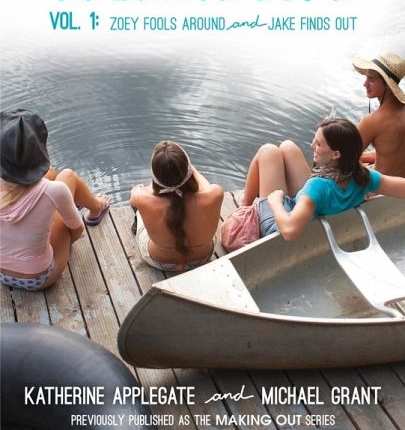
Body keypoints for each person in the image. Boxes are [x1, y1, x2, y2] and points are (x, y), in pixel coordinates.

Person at [242, 117, 405, 241]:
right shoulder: (364, 176)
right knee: (287, 146)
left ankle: (245, 206)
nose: (312, 145)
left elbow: (290, 231)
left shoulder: (317, 186)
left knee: (268, 151)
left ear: (336, 154)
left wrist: (275, 201)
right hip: (311, 210)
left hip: (281, 227)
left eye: (318, 144)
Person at [0, 109, 110, 291]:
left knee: (50, 174)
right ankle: (96, 209)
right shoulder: (54, 190)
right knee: (67, 176)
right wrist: (59, 235)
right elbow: (77, 231)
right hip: (40, 278)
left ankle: (70, 204)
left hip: (2, 274)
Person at [130, 141, 224, 271]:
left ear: (155, 176)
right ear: (188, 170)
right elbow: (204, 186)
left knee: (140, 212)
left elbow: (133, 200)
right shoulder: (216, 193)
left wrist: (143, 189)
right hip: (202, 258)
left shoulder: (141, 198)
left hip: (160, 261)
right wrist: (190, 169)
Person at [352, 51, 405, 177]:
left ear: (387, 85)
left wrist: (362, 167)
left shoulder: (371, 121)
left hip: (383, 187)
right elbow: (390, 152)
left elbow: (344, 160)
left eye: (371, 79)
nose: (365, 84)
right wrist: (365, 159)